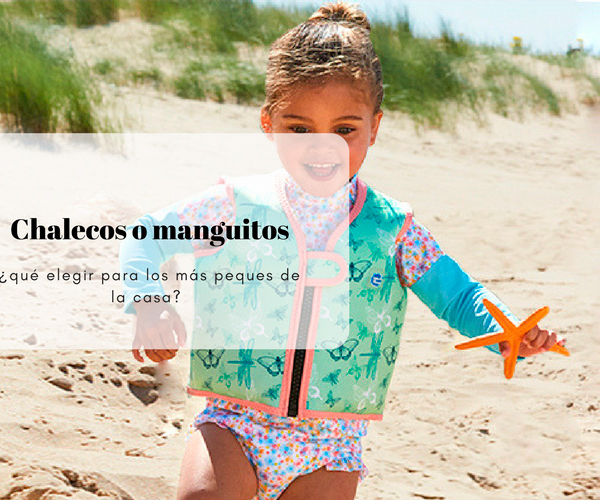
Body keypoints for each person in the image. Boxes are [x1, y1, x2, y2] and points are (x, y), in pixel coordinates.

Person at [119, 3, 564, 500]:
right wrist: (148, 299)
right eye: (300, 129)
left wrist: (504, 332)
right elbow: (146, 234)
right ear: (269, 123)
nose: (323, 147)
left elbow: (459, 297)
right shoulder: (233, 206)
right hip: (233, 419)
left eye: (346, 129)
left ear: (375, 126)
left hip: (331, 445)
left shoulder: (394, 230)